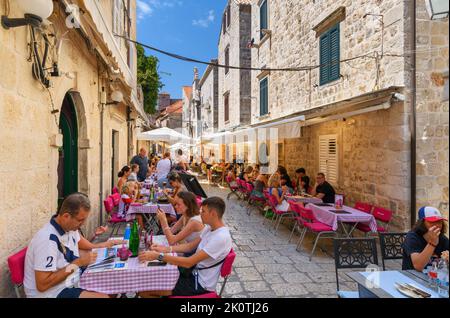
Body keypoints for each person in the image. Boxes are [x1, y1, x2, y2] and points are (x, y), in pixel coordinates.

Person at [138, 197, 232, 297]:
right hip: (191, 273)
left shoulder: (220, 237)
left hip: (199, 283)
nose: (200, 214)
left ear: (213, 213)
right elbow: (190, 246)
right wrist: (165, 249)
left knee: (144, 290)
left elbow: (189, 262)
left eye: (203, 211)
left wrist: (158, 256)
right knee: (150, 279)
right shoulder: (209, 228)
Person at [24, 193, 109, 298]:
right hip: (51, 293)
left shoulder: (70, 228)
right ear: (66, 216)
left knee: (111, 283)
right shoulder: (47, 240)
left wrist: (103, 245)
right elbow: (42, 285)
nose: (83, 224)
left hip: (69, 282)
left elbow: (85, 247)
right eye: (80, 220)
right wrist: (78, 262)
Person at [402, 207, 449, 271]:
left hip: (434, 277)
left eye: (439, 222)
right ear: (422, 223)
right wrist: (432, 243)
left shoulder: (442, 238)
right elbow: (418, 266)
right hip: (412, 277)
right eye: (432, 222)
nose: (437, 225)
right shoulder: (412, 237)